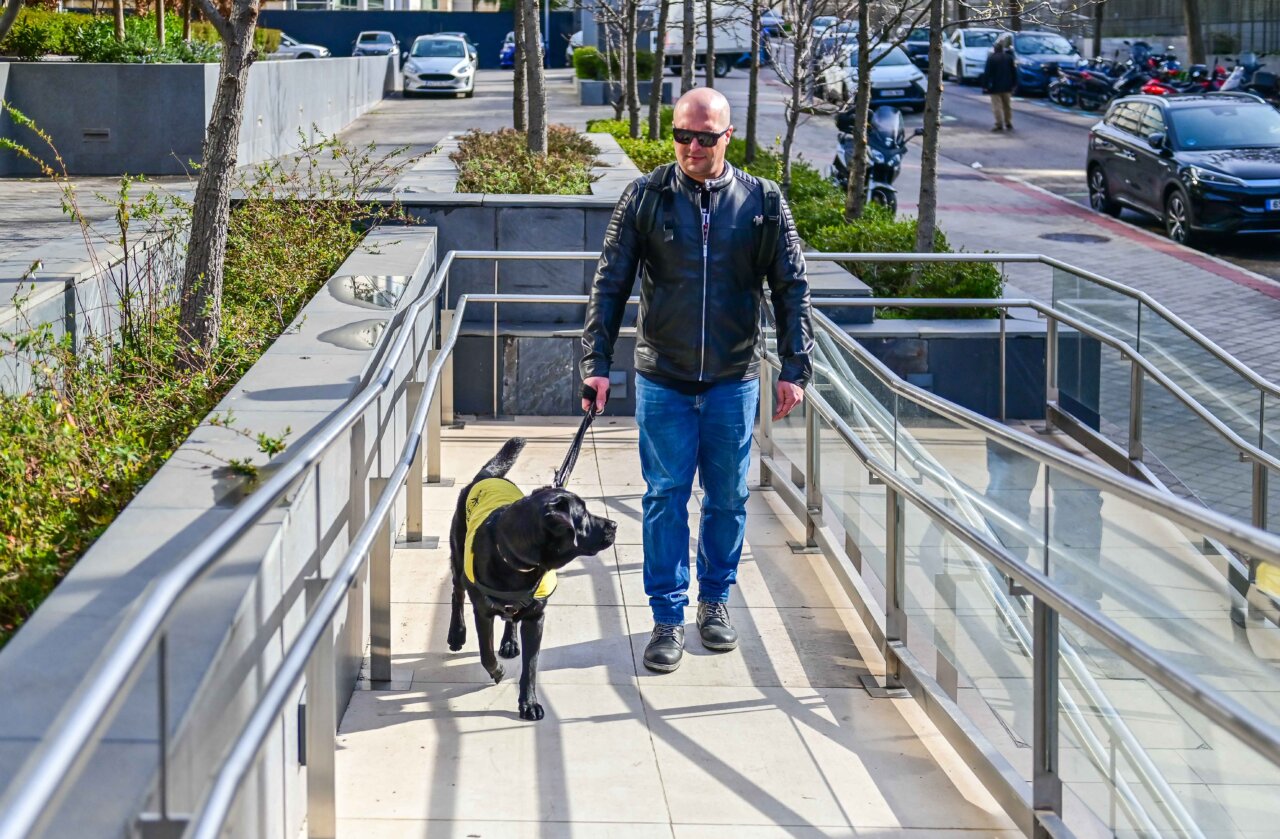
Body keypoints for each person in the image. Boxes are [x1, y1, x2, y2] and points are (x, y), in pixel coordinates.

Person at [580, 88, 813, 673]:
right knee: (665, 497)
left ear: (727, 137)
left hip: (734, 379)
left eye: (704, 138)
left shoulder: (763, 201)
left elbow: (791, 288)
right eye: (682, 135)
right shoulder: (645, 195)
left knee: (728, 498)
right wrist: (596, 363)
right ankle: (666, 616)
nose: (691, 147)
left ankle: (714, 602)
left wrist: (795, 367)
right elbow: (610, 284)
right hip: (664, 378)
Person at [983, 36, 1017, 132]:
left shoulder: (991, 58)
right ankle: (1008, 122)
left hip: (995, 87)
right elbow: (1014, 72)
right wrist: (1014, 84)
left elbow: (987, 73)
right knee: (1007, 106)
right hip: (1007, 86)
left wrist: (985, 85)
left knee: (997, 106)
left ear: (994, 49)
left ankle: (999, 124)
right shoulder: (1009, 58)